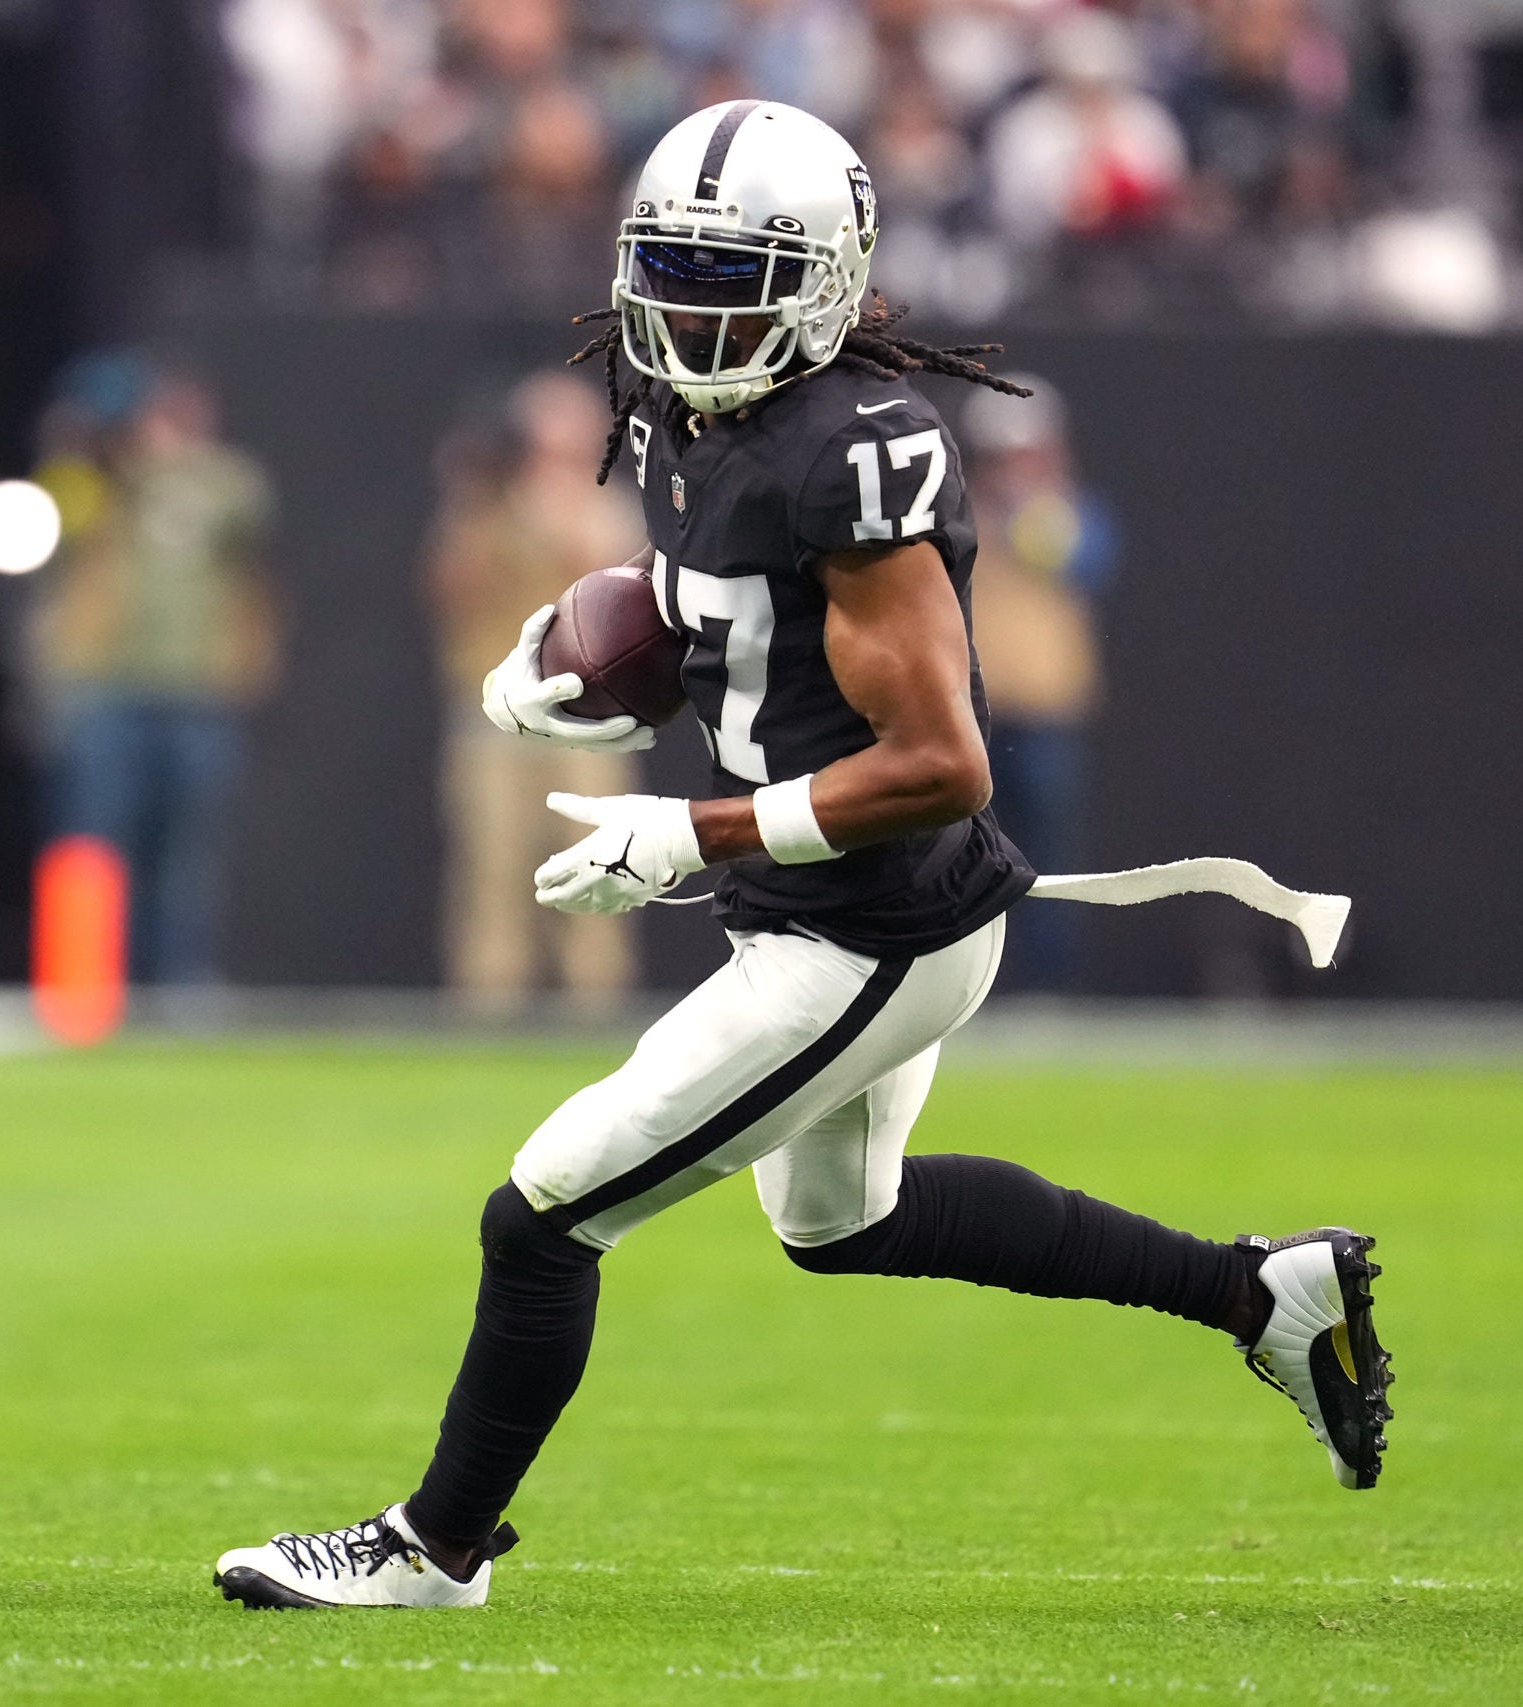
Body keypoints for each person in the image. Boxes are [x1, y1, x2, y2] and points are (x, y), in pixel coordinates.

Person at [211, 100, 1391, 1613]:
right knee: (846, 1219)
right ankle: (1256, 1289)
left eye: (739, 276)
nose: (699, 313)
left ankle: (431, 1547)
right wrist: (576, 654)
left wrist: (684, 829)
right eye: (675, 272)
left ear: (828, 278)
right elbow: (711, 571)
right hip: (825, 899)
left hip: (872, 924)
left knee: (546, 1209)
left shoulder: (863, 449)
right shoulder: (672, 397)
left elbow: (943, 760)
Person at [31, 355, 278, 986]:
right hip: (106, 685)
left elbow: (243, 512)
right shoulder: (97, 483)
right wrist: (80, 450)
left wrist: (167, 462)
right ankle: (83, 977)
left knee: (185, 852)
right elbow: (60, 519)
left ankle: (181, 982)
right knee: (95, 843)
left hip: (194, 688)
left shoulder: (218, 480)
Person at [427, 372, 647, 1014]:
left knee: (601, 862)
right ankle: (489, 1003)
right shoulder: (485, 509)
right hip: (495, 714)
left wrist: (559, 506)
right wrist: (473, 500)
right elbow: (450, 593)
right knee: (493, 868)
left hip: (590, 720)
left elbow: (617, 589)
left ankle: (594, 1002)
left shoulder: (610, 503)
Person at [962, 374, 1117, 991]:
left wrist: (1029, 510)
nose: (1016, 467)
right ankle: (973, 988)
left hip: (1049, 717)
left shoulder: (1070, 514)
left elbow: (1088, 561)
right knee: (971, 857)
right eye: (1003, 456)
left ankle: (1050, 989)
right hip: (976, 715)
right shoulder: (953, 511)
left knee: (1049, 859)